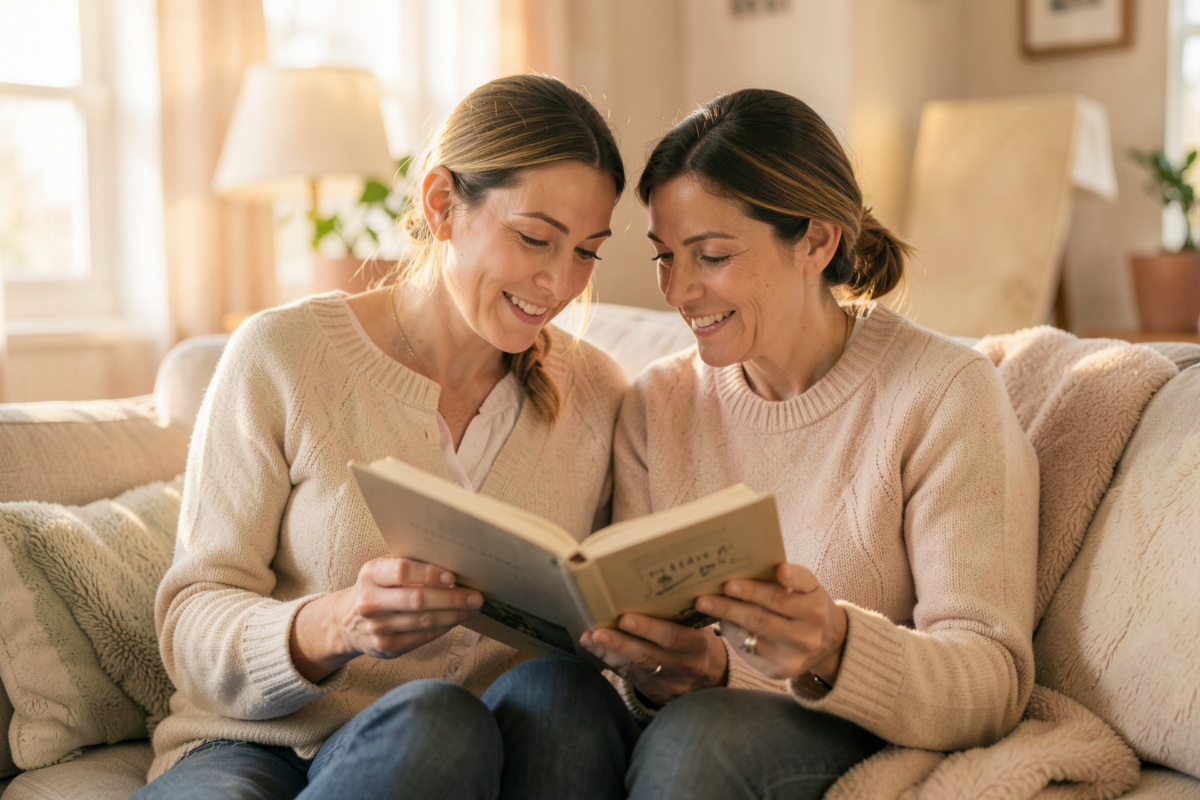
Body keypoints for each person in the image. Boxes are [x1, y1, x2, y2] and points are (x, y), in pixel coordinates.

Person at [136, 74, 640, 800]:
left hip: (469, 755)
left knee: (557, 697)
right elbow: (192, 623)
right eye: (535, 238)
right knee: (434, 720)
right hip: (256, 749)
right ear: (441, 204)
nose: (560, 282)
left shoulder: (597, 393)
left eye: (588, 251)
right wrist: (334, 623)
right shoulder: (285, 353)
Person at [579, 88, 1040, 799]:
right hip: (684, 726)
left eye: (712, 255)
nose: (679, 291)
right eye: (665, 256)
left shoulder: (944, 393)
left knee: (699, 742)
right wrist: (653, 667)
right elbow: (639, 661)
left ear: (818, 241)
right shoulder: (657, 403)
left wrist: (834, 648)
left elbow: (994, 678)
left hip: (848, 732)